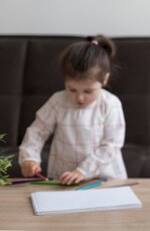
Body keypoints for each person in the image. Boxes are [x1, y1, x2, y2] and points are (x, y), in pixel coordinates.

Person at [19, 35, 127, 184]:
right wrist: (29, 157)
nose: (80, 98)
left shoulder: (110, 104)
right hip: (63, 178)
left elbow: (111, 145)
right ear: (65, 80)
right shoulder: (58, 101)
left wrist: (82, 171)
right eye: (72, 89)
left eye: (88, 91)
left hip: (104, 177)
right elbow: (37, 131)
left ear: (105, 79)